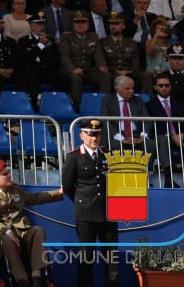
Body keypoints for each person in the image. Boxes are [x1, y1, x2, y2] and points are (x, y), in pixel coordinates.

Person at [0, 159, 63, 287]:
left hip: (20, 229)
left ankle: (36, 277)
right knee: (7, 240)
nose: (9, 175)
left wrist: (58, 193)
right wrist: (6, 230)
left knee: (38, 231)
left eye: (8, 172)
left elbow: (34, 198)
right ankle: (22, 281)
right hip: (0, 233)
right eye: (5, 174)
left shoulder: (14, 189)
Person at [62, 119, 117, 287]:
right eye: (90, 134)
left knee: (111, 257)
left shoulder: (109, 154)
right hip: (86, 213)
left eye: (97, 134)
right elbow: (68, 186)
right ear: (82, 135)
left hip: (108, 213)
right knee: (86, 257)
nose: (94, 138)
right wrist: (82, 201)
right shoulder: (74, 157)